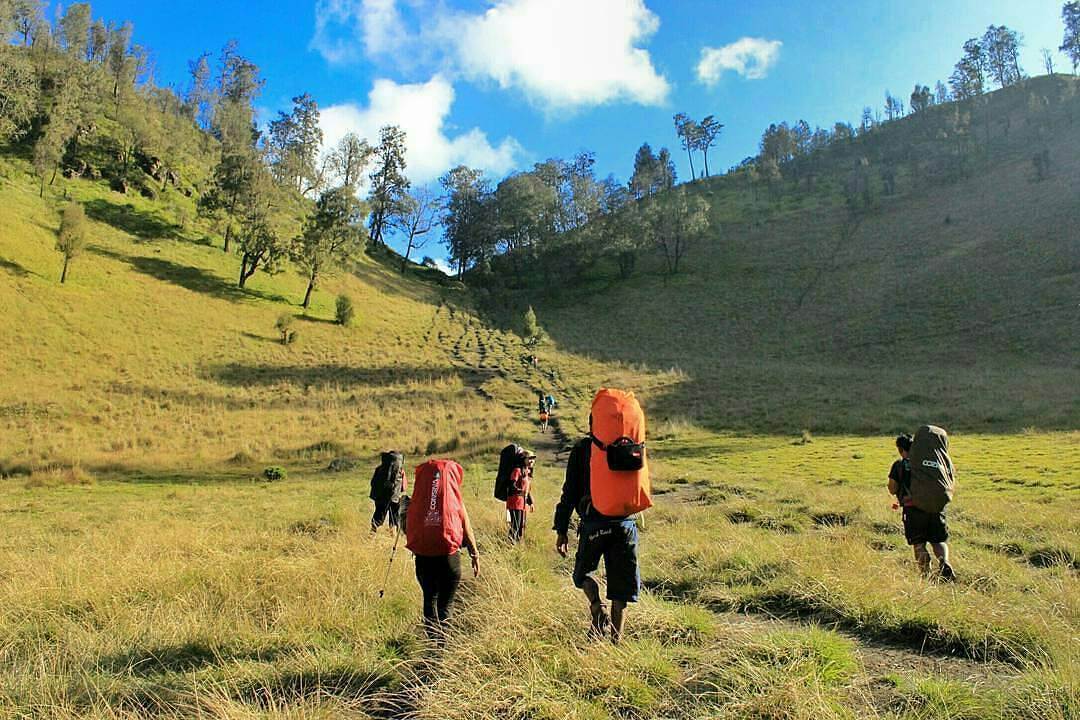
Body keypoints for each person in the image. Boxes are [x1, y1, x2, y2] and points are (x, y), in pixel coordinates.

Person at [553, 414, 646, 644]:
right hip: (625, 525)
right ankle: (616, 643)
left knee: (582, 575)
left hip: (594, 524)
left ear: (592, 425)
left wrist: (562, 529)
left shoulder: (583, 449)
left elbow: (570, 492)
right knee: (621, 588)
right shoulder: (631, 448)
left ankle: (598, 609)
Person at [406, 459, 480, 640]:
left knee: (429, 599)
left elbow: (409, 525)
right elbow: (466, 527)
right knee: (445, 605)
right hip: (449, 557)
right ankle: (443, 647)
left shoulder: (419, 499)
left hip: (424, 557)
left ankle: (432, 647)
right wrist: (474, 553)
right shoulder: (454, 499)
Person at [889, 431, 955, 580]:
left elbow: (892, 488)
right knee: (938, 541)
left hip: (913, 510)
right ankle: (944, 562)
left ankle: (925, 575)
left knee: (919, 544)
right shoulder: (934, 463)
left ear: (901, 449)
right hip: (937, 507)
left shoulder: (900, 465)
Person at [370, 451, 406, 533]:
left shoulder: (379, 469)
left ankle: (372, 534)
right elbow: (404, 487)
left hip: (380, 497)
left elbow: (373, 483)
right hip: (395, 496)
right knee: (394, 517)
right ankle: (392, 534)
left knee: (378, 516)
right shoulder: (400, 471)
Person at [507, 452, 536, 543]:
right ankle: (510, 546)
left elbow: (527, 490)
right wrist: (521, 492)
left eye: (533, 458)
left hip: (522, 502)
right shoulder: (517, 470)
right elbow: (511, 486)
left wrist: (530, 503)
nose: (532, 460)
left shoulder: (527, 472)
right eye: (529, 458)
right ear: (523, 459)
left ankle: (517, 546)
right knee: (515, 525)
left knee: (521, 526)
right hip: (515, 502)